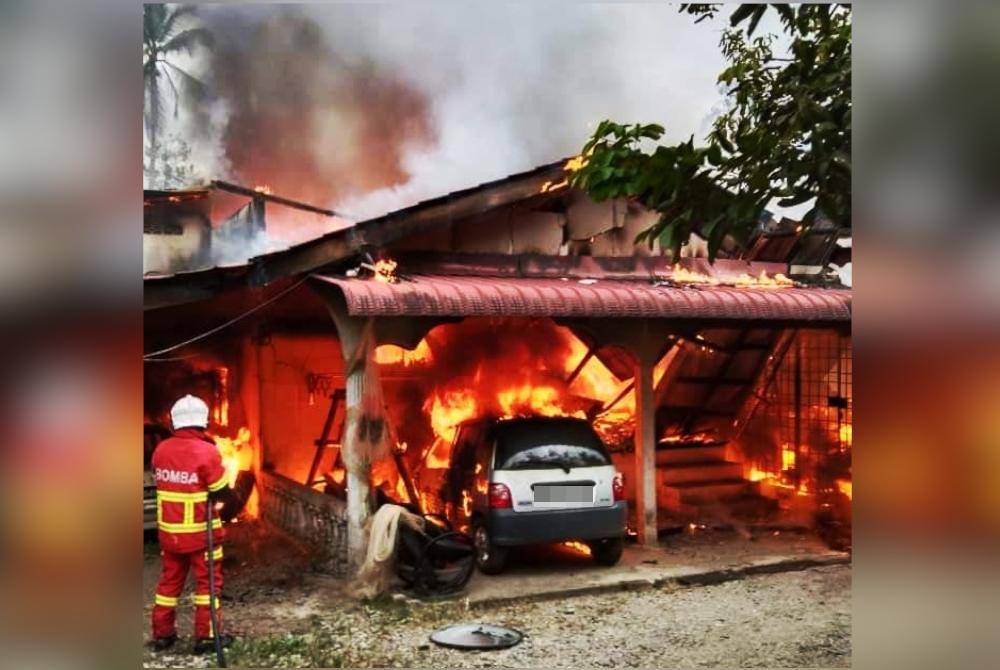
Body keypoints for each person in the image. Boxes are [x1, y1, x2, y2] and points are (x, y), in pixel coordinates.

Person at [149, 394, 233, 653]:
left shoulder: (160, 450)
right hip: (200, 534)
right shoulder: (206, 451)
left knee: (168, 584)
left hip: (169, 534)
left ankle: (163, 635)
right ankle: (206, 637)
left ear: (175, 422)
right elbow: (220, 491)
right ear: (203, 421)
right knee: (207, 585)